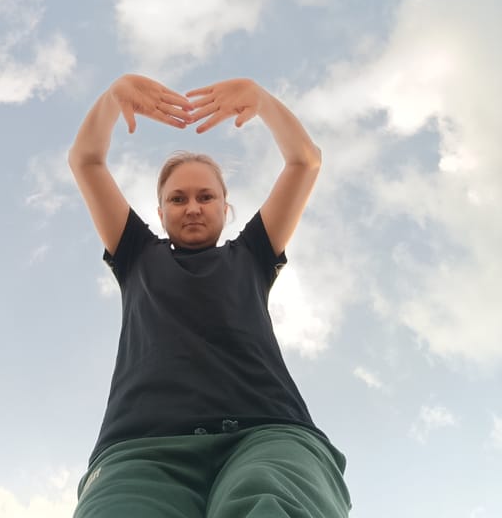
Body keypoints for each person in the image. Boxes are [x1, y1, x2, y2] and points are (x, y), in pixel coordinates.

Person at [68, 74, 351, 518]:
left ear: (225, 206)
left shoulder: (253, 254)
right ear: (160, 213)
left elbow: (305, 161)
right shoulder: (136, 253)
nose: (193, 207)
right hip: (140, 448)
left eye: (206, 196)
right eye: (178, 199)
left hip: (268, 433)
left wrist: (261, 100)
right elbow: (87, 161)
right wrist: (111, 99)